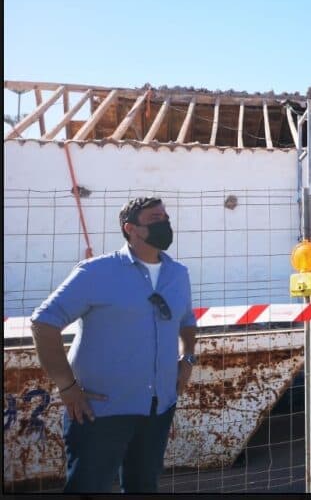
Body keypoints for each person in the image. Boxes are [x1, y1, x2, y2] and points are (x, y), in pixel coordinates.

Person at [30, 196, 197, 493]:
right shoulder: (96, 272)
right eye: (156, 219)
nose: (165, 224)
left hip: (158, 408)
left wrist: (187, 361)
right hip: (100, 411)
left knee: (143, 486)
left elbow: (186, 321)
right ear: (130, 228)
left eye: (166, 218)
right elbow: (44, 323)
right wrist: (67, 387)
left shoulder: (178, 274)